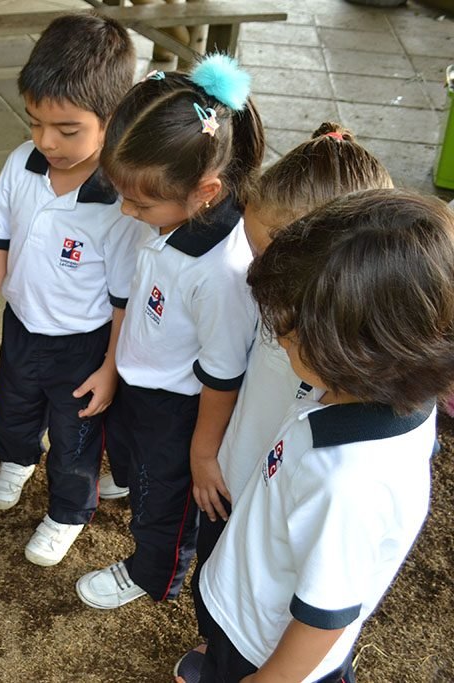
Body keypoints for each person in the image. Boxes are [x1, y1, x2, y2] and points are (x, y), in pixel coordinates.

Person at [192, 189, 454, 681]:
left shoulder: (348, 481)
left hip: (265, 649)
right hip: (252, 605)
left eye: (289, 332)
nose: (279, 339)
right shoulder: (385, 397)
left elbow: (323, 614)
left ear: (358, 351)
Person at [172, 122, 395, 681]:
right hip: (241, 475)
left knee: (273, 597)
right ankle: (217, 648)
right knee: (220, 567)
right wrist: (208, 453)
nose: (255, 273)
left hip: (282, 511)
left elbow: (327, 598)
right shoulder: (289, 302)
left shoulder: (351, 448)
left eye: (268, 253)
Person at [0, 12, 142, 567]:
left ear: (112, 120)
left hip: (83, 344)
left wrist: (109, 366)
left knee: (75, 438)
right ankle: (16, 459)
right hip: (24, 323)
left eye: (66, 129)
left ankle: (67, 513)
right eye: (34, 122)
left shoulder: (119, 204)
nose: (46, 141)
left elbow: (123, 299)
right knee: (12, 407)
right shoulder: (21, 164)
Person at [75, 54, 264, 607]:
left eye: (140, 201)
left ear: (205, 191)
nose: (128, 212)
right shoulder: (170, 217)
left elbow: (223, 376)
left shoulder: (222, 273)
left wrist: (203, 456)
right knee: (134, 462)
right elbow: (139, 301)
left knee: (166, 504)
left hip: (182, 410)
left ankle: (153, 573)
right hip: (143, 380)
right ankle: (138, 481)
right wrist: (113, 367)